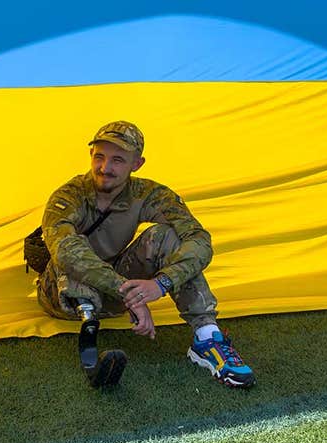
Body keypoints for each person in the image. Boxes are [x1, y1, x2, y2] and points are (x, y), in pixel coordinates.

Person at [38, 120, 254, 389]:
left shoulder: (148, 194)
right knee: (72, 246)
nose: (105, 168)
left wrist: (160, 284)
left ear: (137, 164)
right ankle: (90, 338)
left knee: (168, 237)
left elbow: (199, 240)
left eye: (118, 160)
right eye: (99, 157)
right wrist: (129, 293)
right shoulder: (68, 196)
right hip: (64, 296)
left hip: (116, 294)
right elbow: (65, 252)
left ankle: (207, 338)